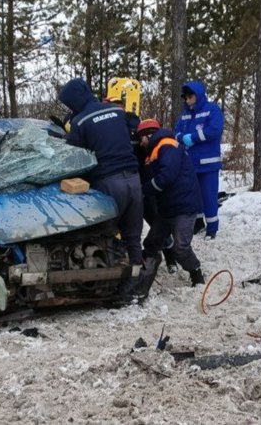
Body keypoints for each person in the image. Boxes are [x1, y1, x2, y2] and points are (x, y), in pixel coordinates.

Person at [59, 78, 145, 271]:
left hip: (108, 182)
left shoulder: (80, 121)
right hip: (133, 179)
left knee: (105, 234)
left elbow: (74, 157)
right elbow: (135, 123)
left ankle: (110, 279)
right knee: (133, 236)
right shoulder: (117, 110)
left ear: (74, 100)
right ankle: (136, 279)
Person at [138, 121, 204, 286]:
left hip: (184, 206)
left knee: (181, 248)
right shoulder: (153, 152)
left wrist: (143, 190)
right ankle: (144, 274)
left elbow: (167, 175)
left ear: (148, 134)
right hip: (167, 208)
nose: (140, 143)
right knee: (152, 242)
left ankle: (197, 275)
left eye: (141, 139)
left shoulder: (167, 145)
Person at [174, 81, 224, 240]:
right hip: (191, 164)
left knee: (209, 197)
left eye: (190, 97)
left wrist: (193, 138)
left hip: (208, 164)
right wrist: (181, 137)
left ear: (198, 95)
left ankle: (212, 228)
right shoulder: (185, 114)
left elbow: (214, 130)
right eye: (185, 98)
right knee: (194, 197)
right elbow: (176, 131)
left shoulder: (212, 110)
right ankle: (198, 223)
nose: (188, 100)